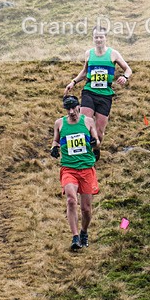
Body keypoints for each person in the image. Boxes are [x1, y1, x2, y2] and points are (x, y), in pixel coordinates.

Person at [63, 27, 132, 157]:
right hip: (89, 92)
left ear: (105, 38)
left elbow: (128, 69)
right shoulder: (89, 53)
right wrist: (73, 82)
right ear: (93, 38)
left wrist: (125, 77)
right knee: (85, 123)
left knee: (99, 131)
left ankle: (96, 148)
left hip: (105, 95)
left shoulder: (113, 54)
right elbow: (84, 72)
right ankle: (85, 154)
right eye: (96, 37)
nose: (99, 39)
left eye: (101, 37)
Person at [50, 95, 100, 251]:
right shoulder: (59, 123)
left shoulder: (88, 121)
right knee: (71, 200)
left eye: (73, 108)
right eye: (68, 109)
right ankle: (75, 237)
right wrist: (54, 148)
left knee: (86, 209)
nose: (71, 112)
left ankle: (84, 232)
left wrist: (94, 142)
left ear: (79, 106)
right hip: (69, 169)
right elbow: (56, 140)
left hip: (86, 168)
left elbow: (97, 142)